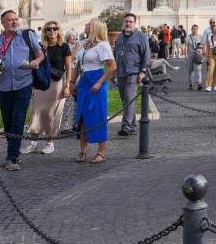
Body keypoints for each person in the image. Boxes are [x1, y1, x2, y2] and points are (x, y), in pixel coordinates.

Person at [0, 10, 45, 170]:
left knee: (18, 119)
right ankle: (14, 153)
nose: (14, 22)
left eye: (16, 19)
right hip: (3, 86)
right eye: (10, 20)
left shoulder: (27, 35)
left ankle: (11, 158)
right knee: (8, 121)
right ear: (3, 23)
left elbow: (40, 54)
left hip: (23, 84)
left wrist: (34, 62)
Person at [21, 20, 71, 155]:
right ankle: (32, 142)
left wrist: (67, 86)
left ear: (59, 30)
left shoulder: (64, 46)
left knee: (52, 113)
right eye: (49, 29)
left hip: (57, 84)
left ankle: (50, 143)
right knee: (36, 111)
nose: (52, 31)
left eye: (55, 29)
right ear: (45, 32)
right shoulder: (42, 47)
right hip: (42, 83)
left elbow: (68, 68)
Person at [70, 19, 116, 163]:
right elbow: (77, 63)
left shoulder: (102, 45)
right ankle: (83, 151)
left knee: (98, 116)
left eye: (88, 24)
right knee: (82, 116)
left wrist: (99, 83)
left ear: (95, 28)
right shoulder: (84, 44)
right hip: (83, 81)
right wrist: (72, 82)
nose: (85, 25)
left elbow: (112, 67)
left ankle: (101, 151)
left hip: (96, 80)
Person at [113, 13, 150, 137]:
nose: (128, 24)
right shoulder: (119, 37)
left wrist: (143, 71)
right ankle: (132, 125)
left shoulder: (141, 36)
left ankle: (126, 125)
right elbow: (115, 54)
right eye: (126, 21)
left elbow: (146, 54)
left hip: (134, 72)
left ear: (135, 23)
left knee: (129, 97)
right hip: (120, 72)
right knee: (126, 100)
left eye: (130, 22)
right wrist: (114, 71)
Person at [59, 28, 80, 133]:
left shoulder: (78, 47)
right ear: (68, 36)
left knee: (76, 101)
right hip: (67, 75)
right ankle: (65, 126)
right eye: (73, 36)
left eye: (76, 36)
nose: (75, 38)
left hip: (77, 76)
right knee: (68, 101)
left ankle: (75, 124)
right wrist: (76, 50)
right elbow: (69, 59)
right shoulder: (65, 46)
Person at [202, 18, 216, 92]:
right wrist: (207, 57)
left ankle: (215, 84)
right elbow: (207, 46)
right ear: (212, 30)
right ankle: (209, 85)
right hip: (211, 53)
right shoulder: (209, 36)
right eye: (215, 29)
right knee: (211, 70)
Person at [186, 24, 204, 90]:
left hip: (198, 55)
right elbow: (186, 46)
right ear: (191, 29)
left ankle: (199, 83)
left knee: (199, 69)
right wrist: (186, 55)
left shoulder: (200, 37)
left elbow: (203, 45)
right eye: (193, 29)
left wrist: (200, 47)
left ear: (198, 30)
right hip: (190, 55)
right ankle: (191, 84)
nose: (195, 30)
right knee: (191, 70)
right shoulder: (188, 37)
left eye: (196, 29)